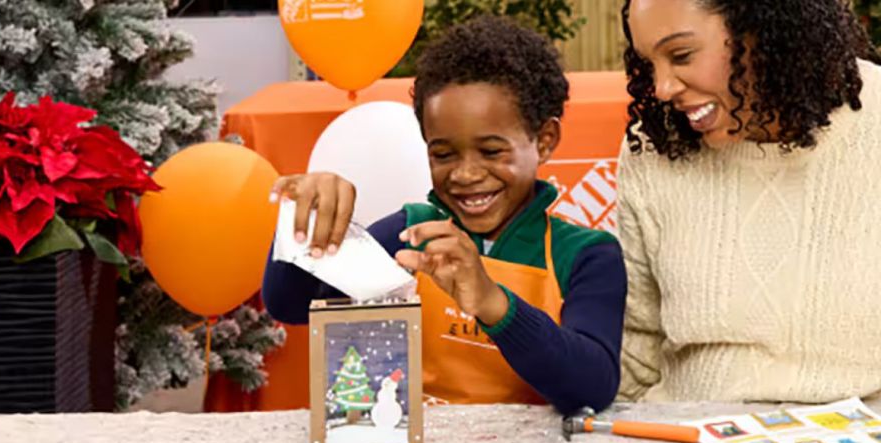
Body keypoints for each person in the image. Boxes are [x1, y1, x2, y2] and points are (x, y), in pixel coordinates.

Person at [263, 16, 627, 415]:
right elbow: (289, 304)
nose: (466, 174)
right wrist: (307, 222)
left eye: (491, 151)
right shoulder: (408, 233)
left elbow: (593, 386)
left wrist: (494, 304)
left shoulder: (587, 254)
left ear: (544, 141)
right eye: (443, 154)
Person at [616, 0, 881, 402]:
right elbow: (636, 347)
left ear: (761, 28)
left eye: (681, 55)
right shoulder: (652, 147)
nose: (662, 88)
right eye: (649, 64)